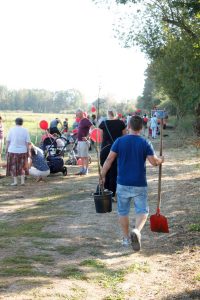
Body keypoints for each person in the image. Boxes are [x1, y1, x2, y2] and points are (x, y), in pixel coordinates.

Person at [100, 116, 164, 251]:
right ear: (141, 128)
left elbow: (109, 160)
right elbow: (153, 162)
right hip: (139, 183)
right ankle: (137, 231)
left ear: (128, 126)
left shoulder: (119, 141)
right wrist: (160, 160)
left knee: (123, 211)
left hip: (122, 183)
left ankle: (125, 238)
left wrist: (103, 175)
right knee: (142, 210)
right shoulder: (145, 142)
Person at [99, 110, 126, 200]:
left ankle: (106, 191)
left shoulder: (103, 123)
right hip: (117, 149)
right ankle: (113, 193)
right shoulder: (121, 123)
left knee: (105, 170)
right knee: (115, 172)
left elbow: (100, 138)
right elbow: (124, 137)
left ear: (108, 114)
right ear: (116, 114)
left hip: (105, 149)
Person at [6, 117, 31, 186]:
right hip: (23, 151)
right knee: (22, 166)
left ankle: (15, 182)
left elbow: (8, 141)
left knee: (14, 166)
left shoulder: (11, 129)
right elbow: (27, 142)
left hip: (12, 150)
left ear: (15, 122)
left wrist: (6, 150)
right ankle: (22, 182)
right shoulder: (25, 130)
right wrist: (28, 151)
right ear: (22, 123)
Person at [75, 109, 94, 175]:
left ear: (81, 113)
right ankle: (82, 170)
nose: (76, 115)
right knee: (81, 156)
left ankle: (86, 171)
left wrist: (87, 137)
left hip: (84, 141)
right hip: (79, 141)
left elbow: (93, 128)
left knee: (85, 156)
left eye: (77, 114)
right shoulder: (80, 121)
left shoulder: (86, 120)